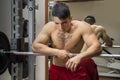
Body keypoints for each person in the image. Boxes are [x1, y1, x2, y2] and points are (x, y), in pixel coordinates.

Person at [32, 2, 102, 80]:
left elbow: (97, 48)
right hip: (57, 69)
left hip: (76, 69)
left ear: (70, 18)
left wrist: (79, 57)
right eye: (57, 23)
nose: (60, 27)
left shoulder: (82, 26)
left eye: (64, 23)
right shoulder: (49, 27)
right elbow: (35, 46)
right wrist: (57, 52)